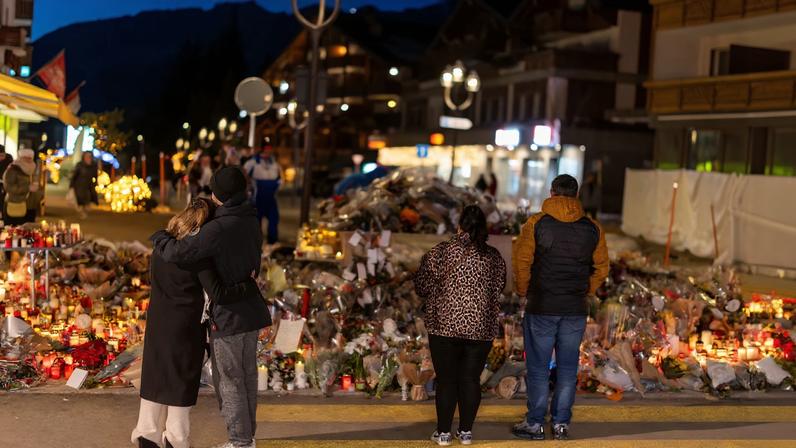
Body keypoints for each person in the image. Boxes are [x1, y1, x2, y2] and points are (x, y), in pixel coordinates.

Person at [151, 166, 270, 448]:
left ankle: (239, 441)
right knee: (247, 378)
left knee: (229, 381)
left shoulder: (217, 228)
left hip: (228, 317)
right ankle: (247, 438)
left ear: (217, 194)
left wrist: (160, 237)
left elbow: (179, 252)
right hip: (251, 312)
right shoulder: (251, 219)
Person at [511, 174, 609, 441]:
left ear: (552, 193)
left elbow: (522, 262)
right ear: (576, 196)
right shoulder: (593, 228)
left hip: (542, 305)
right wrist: (585, 290)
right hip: (575, 308)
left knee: (539, 368)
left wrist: (523, 291)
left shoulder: (536, 223)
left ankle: (535, 424)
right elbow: (602, 268)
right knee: (567, 368)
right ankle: (561, 424)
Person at [415, 205, 506, 446]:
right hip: (480, 328)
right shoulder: (494, 257)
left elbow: (421, 287)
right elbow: (499, 289)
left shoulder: (440, 253)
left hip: (443, 326)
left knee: (446, 380)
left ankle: (443, 433)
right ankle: (465, 432)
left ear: (459, 226)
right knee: (470, 380)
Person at [243, 147, 281, 245]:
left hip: (271, 196)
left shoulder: (274, 163)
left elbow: (279, 176)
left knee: (274, 218)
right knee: (256, 221)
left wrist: (278, 184)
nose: (268, 153)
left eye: (270, 151)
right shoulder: (252, 162)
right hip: (258, 196)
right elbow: (244, 174)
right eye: (266, 151)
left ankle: (272, 242)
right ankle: (256, 242)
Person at [3, 148, 40, 225]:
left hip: (30, 205)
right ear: (20, 157)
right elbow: (8, 187)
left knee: (29, 231)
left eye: (30, 158)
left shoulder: (33, 168)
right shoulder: (13, 169)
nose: (28, 160)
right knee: (15, 230)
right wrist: (27, 188)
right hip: (15, 203)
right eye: (25, 157)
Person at [70, 152, 99, 219]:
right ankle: (82, 212)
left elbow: (95, 175)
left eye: (89, 156)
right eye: (86, 156)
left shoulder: (93, 165)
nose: (88, 158)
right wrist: (71, 186)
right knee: (80, 199)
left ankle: (84, 211)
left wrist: (95, 183)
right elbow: (74, 176)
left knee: (87, 199)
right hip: (79, 185)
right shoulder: (80, 165)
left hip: (89, 185)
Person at [0, 145, 13, 214]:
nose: (1, 158)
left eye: (2, 155)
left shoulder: (9, 159)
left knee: (5, 201)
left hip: (7, 184)